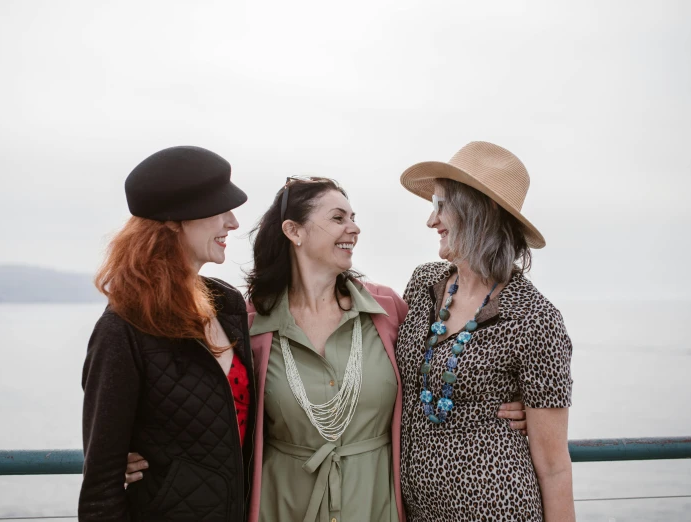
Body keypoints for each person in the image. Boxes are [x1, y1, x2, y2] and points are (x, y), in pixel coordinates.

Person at [125, 176, 530, 521]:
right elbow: (204, 400)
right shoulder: (247, 323)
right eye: (338, 218)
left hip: (375, 505)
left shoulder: (389, 309)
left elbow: (443, 365)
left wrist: (513, 405)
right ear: (294, 231)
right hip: (282, 507)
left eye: (354, 218)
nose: (353, 228)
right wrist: (135, 447)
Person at [396, 141, 575, 521]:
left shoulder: (535, 318)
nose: (431, 221)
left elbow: (555, 466)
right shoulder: (424, 284)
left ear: (482, 210)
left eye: (441, 205)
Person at [78, 146, 256, 522]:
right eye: (220, 209)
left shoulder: (227, 304)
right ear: (175, 220)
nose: (234, 222)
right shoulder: (122, 329)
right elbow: (100, 492)